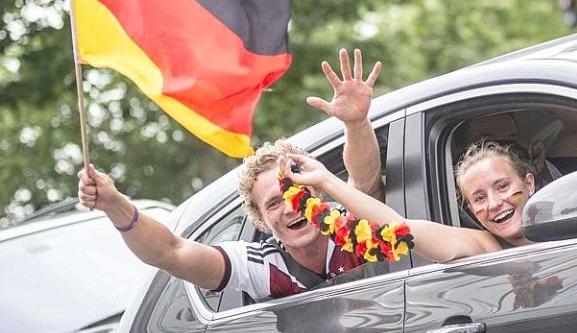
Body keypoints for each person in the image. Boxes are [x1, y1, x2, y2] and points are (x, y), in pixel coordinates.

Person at [77, 49, 383, 301]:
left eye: (295, 191)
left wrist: (356, 123)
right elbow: (171, 253)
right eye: (273, 203)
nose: (290, 207)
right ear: (262, 221)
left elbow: (365, 184)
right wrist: (114, 205)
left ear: (319, 192)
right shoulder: (260, 265)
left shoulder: (352, 224)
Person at [278, 139, 537, 263]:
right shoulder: (485, 245)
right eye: (478, 198)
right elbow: (398, 225)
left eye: (502, 187)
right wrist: (325, 180)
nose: (493, 204)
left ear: (529, 184)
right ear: (470, 209)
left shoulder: (574, 217)